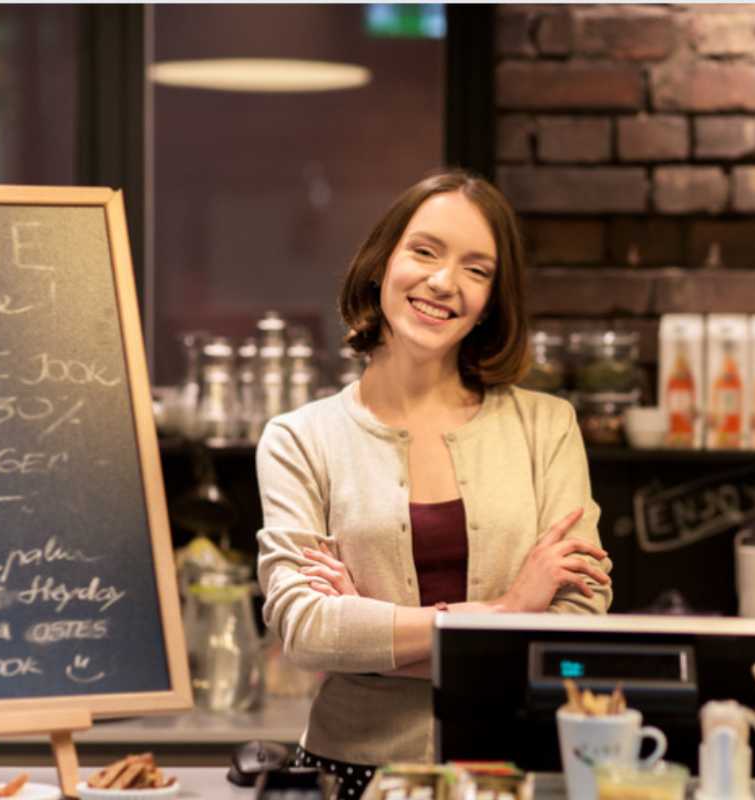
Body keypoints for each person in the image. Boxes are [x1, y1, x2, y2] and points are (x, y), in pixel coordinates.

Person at [255, 169, 612, 796]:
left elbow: (578, 617)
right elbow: (304, 629)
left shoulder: (547, 427)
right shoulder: (299, 439)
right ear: (380, 263)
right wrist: (506, 612)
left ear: (491, 303)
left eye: (477, 270)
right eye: (424, 251)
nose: (444, 282)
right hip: (350, 775)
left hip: (512, 777)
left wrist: (370, 634)